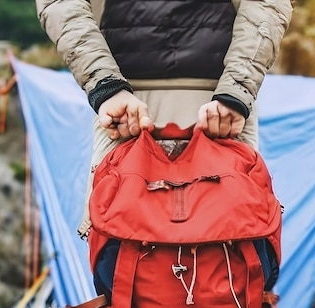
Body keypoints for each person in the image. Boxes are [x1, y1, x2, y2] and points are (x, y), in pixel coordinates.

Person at [36, 0, 294, 237]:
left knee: (118, 247)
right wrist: (237, 88)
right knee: (235, 248)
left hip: (182, 102)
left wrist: (104, 84)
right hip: (212, 101)